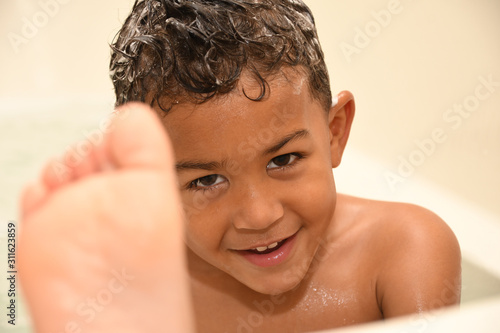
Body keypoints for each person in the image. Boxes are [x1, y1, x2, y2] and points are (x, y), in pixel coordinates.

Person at [19, 1, 461, 332]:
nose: (259, 215)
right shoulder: (142, 278)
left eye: (283, 159)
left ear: (334, 132)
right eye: (206, 179)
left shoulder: (402, 251)